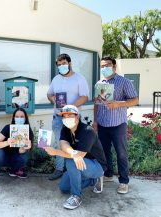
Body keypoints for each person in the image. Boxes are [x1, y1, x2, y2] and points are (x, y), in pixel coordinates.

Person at [44, 105, 107, 210]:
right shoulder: (65, 130)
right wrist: (73, 153)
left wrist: (56, 152)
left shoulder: (88, 131)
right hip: (81, 164)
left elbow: (80, 156)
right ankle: (94, 181)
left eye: (70, 115)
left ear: (77, 117)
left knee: (70, 161)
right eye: (64, 116)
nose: (66, 118)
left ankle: (76, 196)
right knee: (64, 187)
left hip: (97, 165)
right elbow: (64, 145)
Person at [93, 57, 138, 194]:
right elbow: (97, 103)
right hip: (102, 123)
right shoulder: (99, 83)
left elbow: (135, 100)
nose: (104, 68)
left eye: (107, 65)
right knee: (105, 152)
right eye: (102, 66)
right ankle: (108, 174)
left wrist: (118, 104)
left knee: (121, 153)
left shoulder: (123, 82)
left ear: (114, 66)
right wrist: (95, 121)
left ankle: (124, 182)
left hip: (118, 124)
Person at [47, 53, 89, 180]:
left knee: (75, 144)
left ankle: (75, 168)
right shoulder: (56, 79)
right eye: (59, 65)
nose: (61, 66)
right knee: (60, 142)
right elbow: (49, 94)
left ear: (69, 63)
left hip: (73, 119)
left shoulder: (79, 78)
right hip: (58, 118)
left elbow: (84, 97)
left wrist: (69, 108)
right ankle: (59, 169)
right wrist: (54, 101)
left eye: (64, 63)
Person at [0, 108, 34, 187]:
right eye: (17, 116)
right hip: (1, 158)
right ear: (14, 118)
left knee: (24, 156)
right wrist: (7, 142)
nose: (19, 119)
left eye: (22, 117)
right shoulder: (8, 128)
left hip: (13, 159)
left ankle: (15, 170)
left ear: (25, 118)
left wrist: (25, 147)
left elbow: (21, 152)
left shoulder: (27, 130)